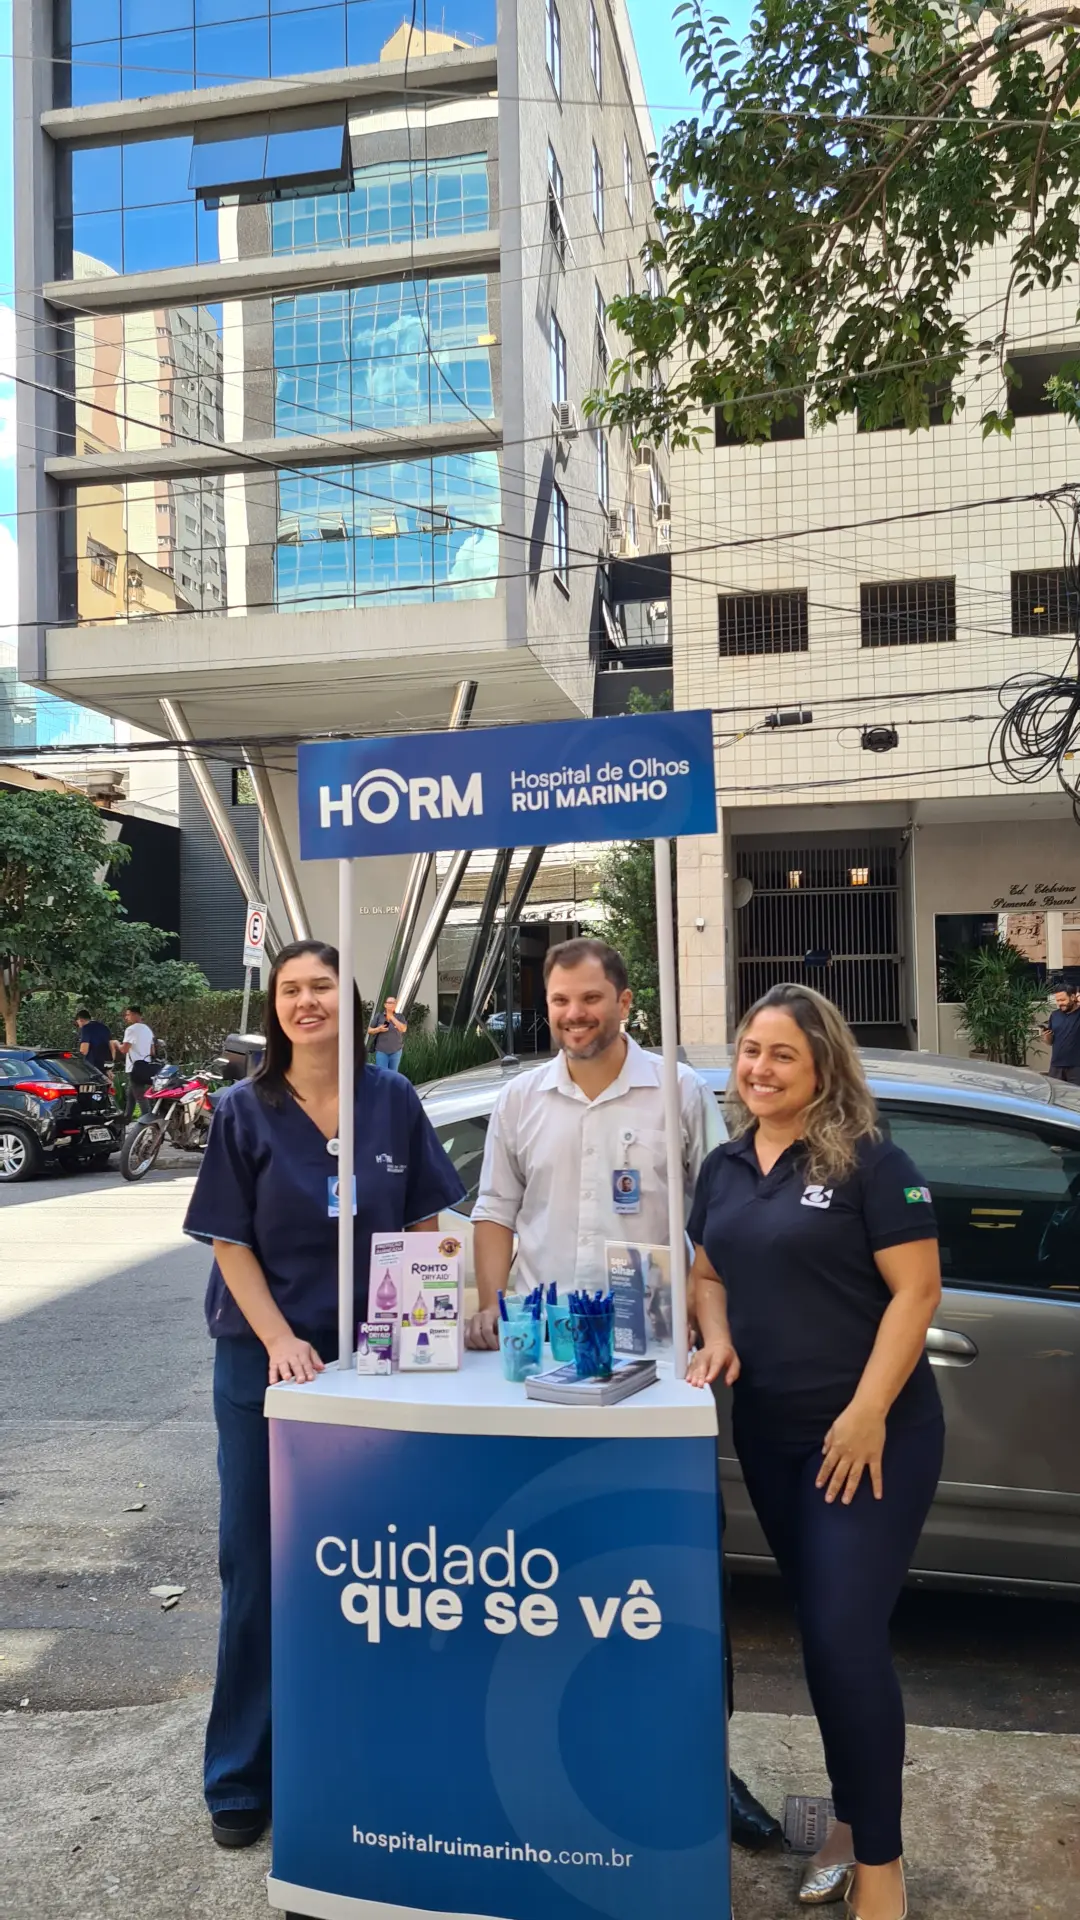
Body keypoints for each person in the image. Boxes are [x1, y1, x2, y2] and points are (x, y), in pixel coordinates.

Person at [465, 934, 781, 1852]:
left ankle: (705, 1770)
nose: (574, 1016)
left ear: (625, 1001)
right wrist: (491, 1304)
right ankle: (560, 1758)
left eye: (590, 999)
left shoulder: (675, 1090)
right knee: (550, 1573)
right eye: (560, 1001)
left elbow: (721, 1217)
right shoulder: (521, 1098)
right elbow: (494, 1210)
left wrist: (710, 1319)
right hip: (541, 1371)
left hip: (658, 1375)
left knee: (676, 1576)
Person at [182, 939, 464, 1852]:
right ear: (275, 1008)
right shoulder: (245, 1108)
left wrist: (425, 1325)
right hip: (264, 1363)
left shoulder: (393, 1100)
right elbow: (229, 1240)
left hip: (371, 1363)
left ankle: (359, 1752)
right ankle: (241, 1772)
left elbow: (422, 1221)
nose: (306, 1002)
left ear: (352, 1000)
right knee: (257, 1564)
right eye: (290, 991)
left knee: (378, 1567)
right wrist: (279, 1340)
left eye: (322, 988)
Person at [687, 984, 944, 1920]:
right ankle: (847, 1820)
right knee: (829, 1641)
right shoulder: (722, 1166)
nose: (759, 1069)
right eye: (750, 1050)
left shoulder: (873, 1161)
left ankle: (880, 1866)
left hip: (870, 1440)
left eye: (782, 1054)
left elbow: (918, 1292)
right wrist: (717, 1334)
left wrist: (868, 1411)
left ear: (823, 1066)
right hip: (772, 1436)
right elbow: (706, 1271)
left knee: (843, 1637)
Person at [113, 1005, 155, 1122]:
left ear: (135, 1014)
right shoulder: (147, 1029)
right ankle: (127, 1117)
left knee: (140, 1097)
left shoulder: (131, 1030)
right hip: (146, 1066)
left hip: (134, 1068)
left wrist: (116, 1043)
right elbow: (152, 1051)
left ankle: (147, 1120)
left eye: (128, 1014)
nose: (126, 1017)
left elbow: (124, 1049)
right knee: (131, 1093)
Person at [1042, 981, 1080, 1084]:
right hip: (1056, 1066)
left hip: (1077, 1067)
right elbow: (1050, 1042)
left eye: (1062, 1000)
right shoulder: (1055, 1015)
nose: (1059, 1003)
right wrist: (1046, 1037)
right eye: (1057, 1000)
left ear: (1073, 997)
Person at [367, 994, 408, 1072]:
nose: (391, 1004)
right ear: (385, 1005)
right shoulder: (379, 1016)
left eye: (393, 1003)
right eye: (389, 1003)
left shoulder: (400, 1017)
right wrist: (379, 1029)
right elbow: (369, 1030)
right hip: (381, 1051)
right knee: (382, 1074)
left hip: (396, 1051)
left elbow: (403, 1029)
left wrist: (391, 1016)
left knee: (393, 1074)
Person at [74, 1008, 112, 1074]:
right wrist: (110, 1067)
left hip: (93, 1064)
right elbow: (111, 1046)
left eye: (77, 1023)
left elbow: (84, 1050)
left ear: (80, 1020)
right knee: (105, 1079)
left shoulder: (86, 1028)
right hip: (107, 1063)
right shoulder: (104, 1027)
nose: (79, 1026)